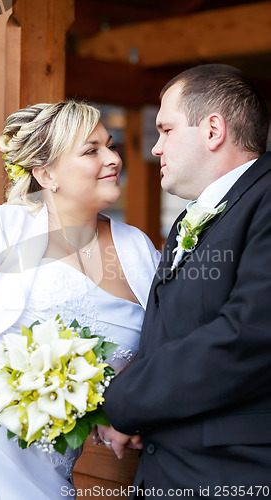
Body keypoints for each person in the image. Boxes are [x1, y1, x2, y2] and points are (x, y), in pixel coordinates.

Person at [0, 100, 160, 499]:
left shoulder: (141, 250)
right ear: (46, 174)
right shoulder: (1, 227)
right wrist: (27, 386)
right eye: (92, 151)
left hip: (52, 467)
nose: (113, 159)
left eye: (111, 145)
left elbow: (159, 347)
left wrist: (120, 409)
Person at [102, 64, 271, 497]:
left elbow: (250, 335)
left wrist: (124, 401)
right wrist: (146, 415)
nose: (155, 148)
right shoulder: (186, 221)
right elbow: (174, 335)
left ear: (213, 130)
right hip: (169, 472)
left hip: (236, 474)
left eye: (166, 129)